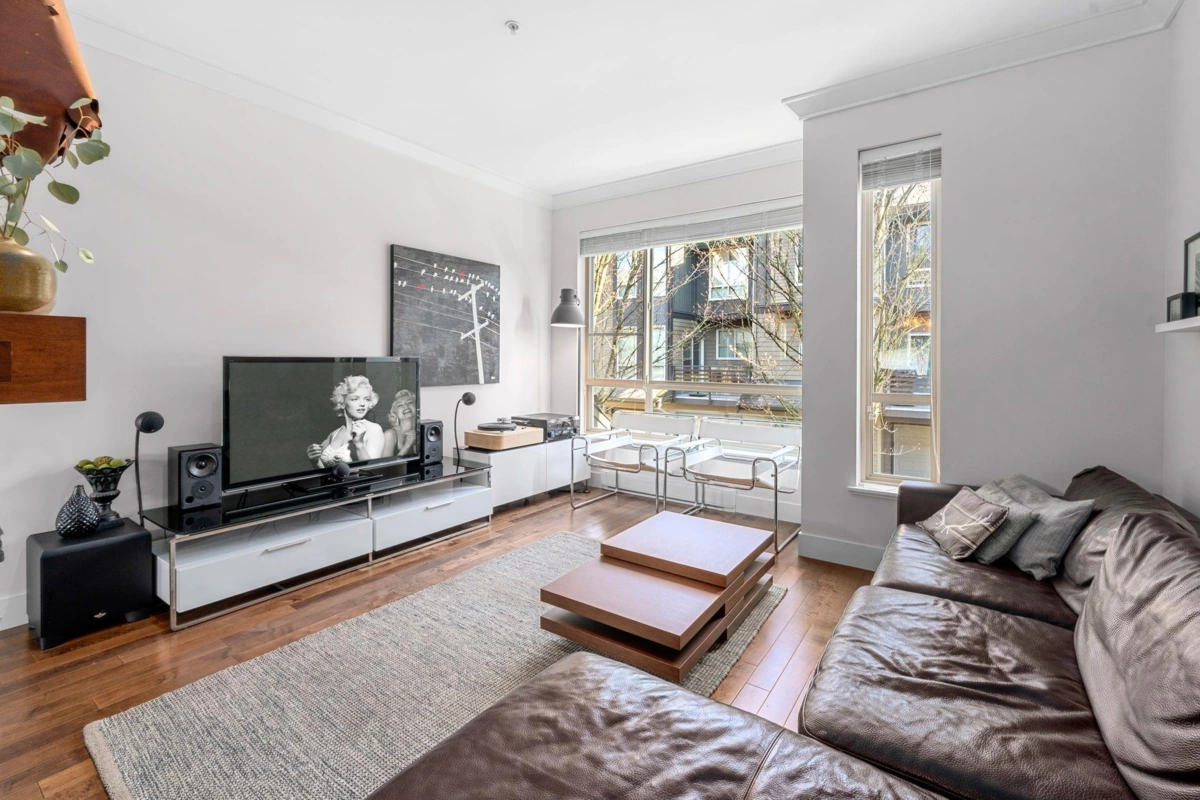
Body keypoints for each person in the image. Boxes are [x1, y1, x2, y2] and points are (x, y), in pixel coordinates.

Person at [307, 375, 384, 468]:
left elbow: (373, 471)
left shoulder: (374, 429)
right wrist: (315, 461)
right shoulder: (334, 434)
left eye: (367, 399)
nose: (362, 404)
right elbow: (324, 473)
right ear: (342, 403)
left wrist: (359, 445)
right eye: (355, 399)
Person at [382, 389, 418, 458]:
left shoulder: (422, 430)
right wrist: (407, 445)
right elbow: (386, 467)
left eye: (410, 402)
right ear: (394, 413)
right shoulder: (390, 435)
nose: (405, 406)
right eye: (400, 405)